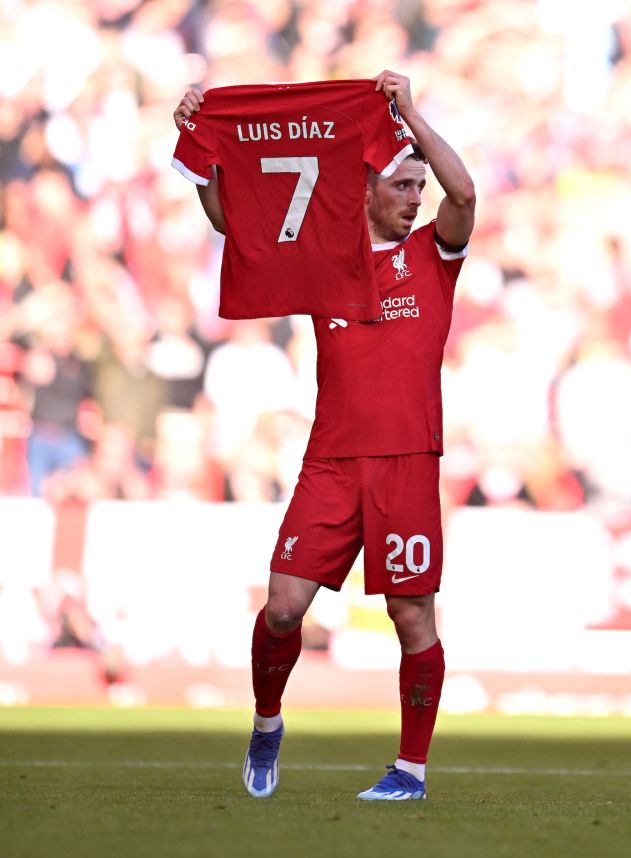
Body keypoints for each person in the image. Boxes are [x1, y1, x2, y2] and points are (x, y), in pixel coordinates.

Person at [174, 69, 476, 801]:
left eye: (418, 189)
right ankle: (268, 721)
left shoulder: (432, 256)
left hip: (407, 460)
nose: (416, 199)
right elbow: (228, 220)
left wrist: (412, 113)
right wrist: (199, 141)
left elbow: (465, 195)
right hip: (332, 461)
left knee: (411, 615)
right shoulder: (324, 249)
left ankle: (411, 770)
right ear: (367, 187)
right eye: (403, 186)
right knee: (282, 607)